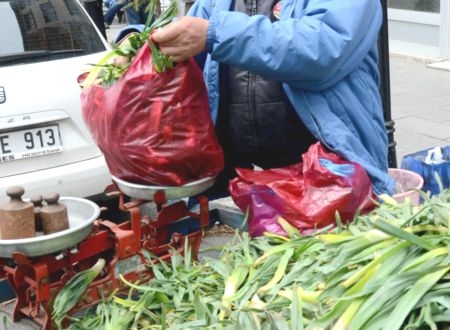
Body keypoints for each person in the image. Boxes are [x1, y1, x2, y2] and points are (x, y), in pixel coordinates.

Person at [130, 0, 396, 197]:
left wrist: (216, 34)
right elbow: (188, 35)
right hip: (244, 179)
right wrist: (137, 43)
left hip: (330, 173)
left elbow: (321, 48)